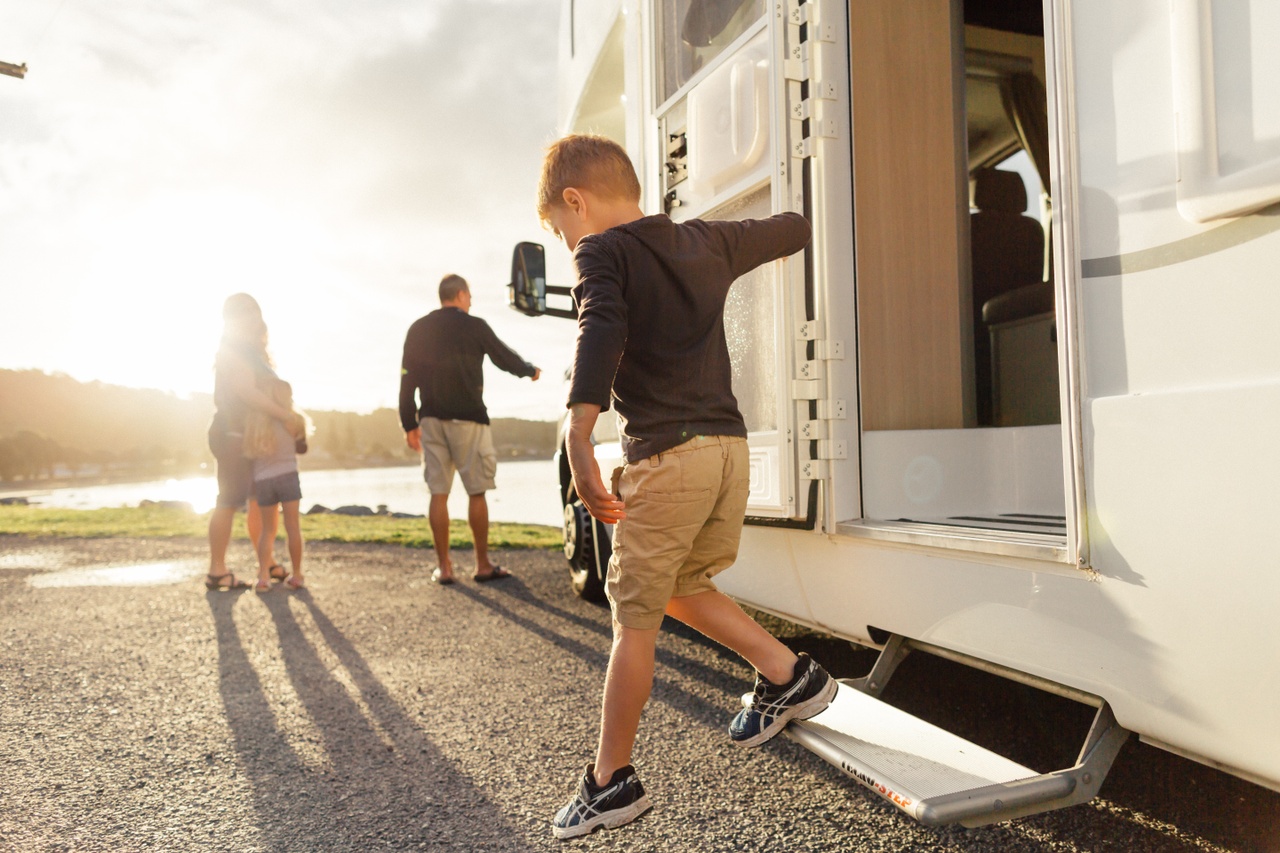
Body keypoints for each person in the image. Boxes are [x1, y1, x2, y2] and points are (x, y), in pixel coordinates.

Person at [538, 134, 833, 840]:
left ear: (575, 201)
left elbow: (600, 326)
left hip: (670, 456)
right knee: (681, 583)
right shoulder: (705, 240)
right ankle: (788, 673)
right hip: (729, 452)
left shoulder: (601, 253)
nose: (566, 241)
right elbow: (791, 229)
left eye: (558, 228)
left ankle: (609, 782)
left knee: (633, 615)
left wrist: (580, 431)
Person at [399, 274, 542, 585]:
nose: (471, 301)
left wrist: (409, 423)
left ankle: (445, 567)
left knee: (438, 492)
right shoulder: (474, 325)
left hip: (431, 420)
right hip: (469, 420)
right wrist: (529, 370)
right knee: (476, 491)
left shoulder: (418, 329)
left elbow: (407, 378)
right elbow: (502, 356)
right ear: (461, 295)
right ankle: (481, 564)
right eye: (470, 295)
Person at [206, 293, 301, 590]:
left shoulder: (250, 351)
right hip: (232, 433)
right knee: (229, 500)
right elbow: (246, 391)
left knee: (256, 501)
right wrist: (285, 414)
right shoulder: (233, 350)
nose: (252, 317)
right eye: (245, 312)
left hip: (247, 436)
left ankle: (267, 563)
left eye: (254, 311)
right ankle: (217, 569)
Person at [243, 377, 309, 592]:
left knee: (267, 530)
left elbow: (249, 454)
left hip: (263, 479)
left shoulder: (255, 420)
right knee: (292, 527)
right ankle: (297, 575)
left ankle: (263, 577)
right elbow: (302, 448)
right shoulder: (293, 419)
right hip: (288, 475)